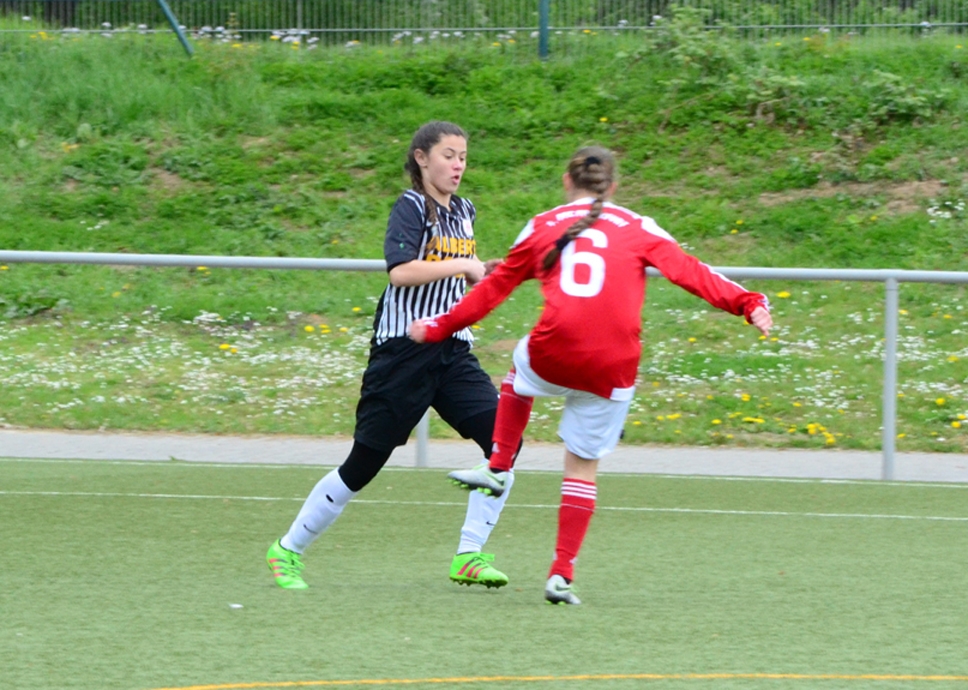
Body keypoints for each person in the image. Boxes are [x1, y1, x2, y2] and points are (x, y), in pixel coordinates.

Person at [410, 146, 773, 605]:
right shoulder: (639, 226)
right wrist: (749, 303)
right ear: (613, 187)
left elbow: (493, 291)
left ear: (567, 181)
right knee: (581, 468)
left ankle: (498, 466)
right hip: (613, 364)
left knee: (520, 368)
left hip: (554, 351)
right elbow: (691, 273)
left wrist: (439, 327)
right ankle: (561, 575)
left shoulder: (543, 224)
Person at [266, 121, 518, 590]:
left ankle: (469, 554)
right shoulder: (411, 206)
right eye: (448, 155)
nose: (458, 165)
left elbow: (454, 272)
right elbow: (401, 272)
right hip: (403, 352)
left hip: (452, 351)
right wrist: (462, 264)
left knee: (504, 444)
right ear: (422, 158)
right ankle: (287, 548)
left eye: (463, 157)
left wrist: (480, 272)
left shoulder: (464, 210)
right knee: (363, 464)